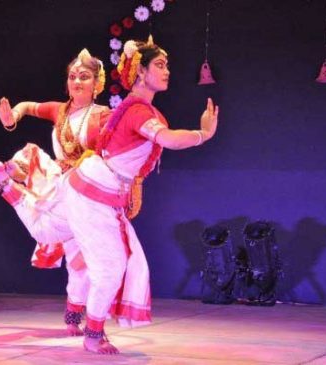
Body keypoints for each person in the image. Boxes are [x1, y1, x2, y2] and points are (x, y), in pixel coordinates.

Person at [63, 36, 219, 354]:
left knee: (130, 263)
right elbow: (171, 140)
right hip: (93, 192)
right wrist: (204, 134)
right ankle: (92, 334)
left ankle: (85, 314)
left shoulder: (139, 109)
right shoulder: (137, 111)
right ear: (139, 72)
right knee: (112, 265)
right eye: (159, 65)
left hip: (103, 194)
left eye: (167, 65)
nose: (167, 72)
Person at [0, 49, 111, 336]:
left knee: (80, 263)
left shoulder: (104, 116)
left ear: (97, 84)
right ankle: (6, 172)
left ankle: (74, 318)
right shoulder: (60, 110)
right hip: (60, 182)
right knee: (33, 157)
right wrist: (12, 117)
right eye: (73, 77)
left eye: (85, 77)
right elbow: (28, 106)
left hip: (87, 191)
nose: (77, 81)